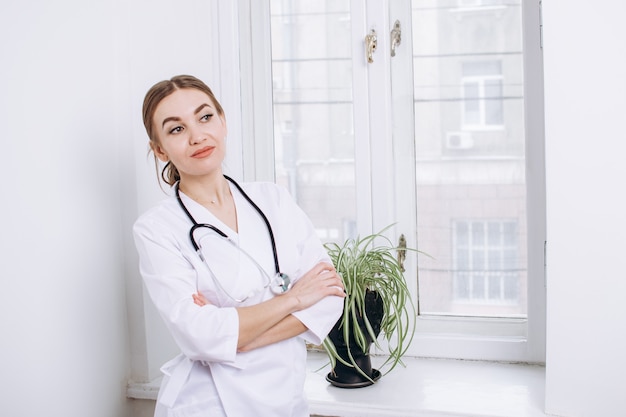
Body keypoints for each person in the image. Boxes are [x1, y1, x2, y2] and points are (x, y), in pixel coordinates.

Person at [133, 74, 345, 417]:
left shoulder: (273, 199)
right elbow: (199, 335)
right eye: (176, 129)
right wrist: (294, 298)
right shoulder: (157, 229)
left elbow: (329, 295)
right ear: (159, 150)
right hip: (209, 404)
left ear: (223, 121)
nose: (197, 135)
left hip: (287, 399)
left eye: (205, 117)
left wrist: (235, 336)